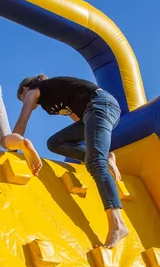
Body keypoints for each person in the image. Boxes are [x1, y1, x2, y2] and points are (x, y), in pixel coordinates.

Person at [14, 74, 129, 248]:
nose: (23, 101)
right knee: (55, 143)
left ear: (24, 89)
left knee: (95, 163)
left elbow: (23, 120)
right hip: (98, 111)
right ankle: (105, 157)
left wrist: (12, 146)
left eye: (21, 98)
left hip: (100, 105)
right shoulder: (50, 98)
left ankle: (117, 224)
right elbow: (78, 120)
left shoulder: (34, 91)